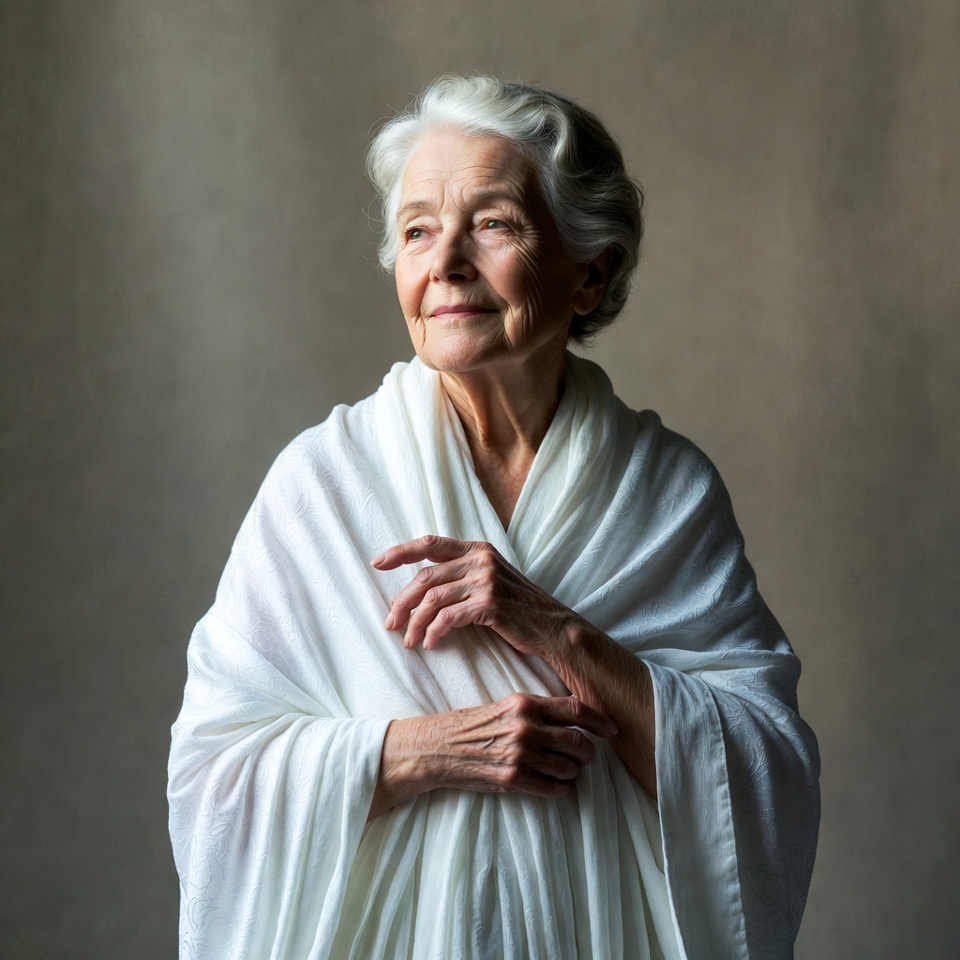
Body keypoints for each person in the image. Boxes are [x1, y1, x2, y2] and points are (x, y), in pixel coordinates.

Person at [168, 75, 820, 960]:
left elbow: (766, 773)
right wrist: (430, 749)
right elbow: (214, 776)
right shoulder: (323, 485)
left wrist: (558, 631)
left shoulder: (666, 491)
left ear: (592, 272)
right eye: (417, 231)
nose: (445, 264)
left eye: (493, 223)